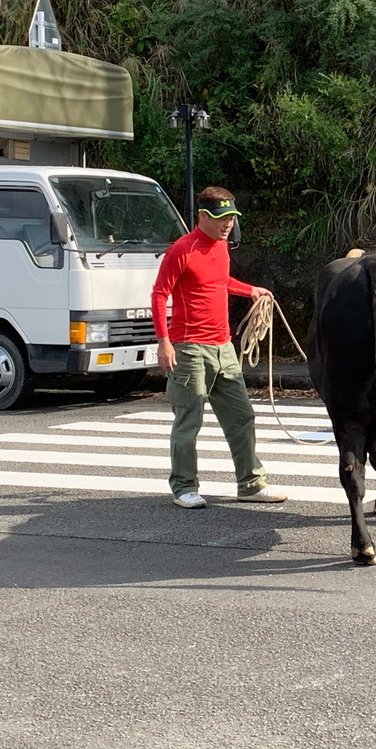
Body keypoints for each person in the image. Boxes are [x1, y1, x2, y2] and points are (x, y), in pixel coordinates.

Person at [150, 186, 287, 509]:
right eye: (220, 217)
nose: (227, 223)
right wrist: (163, 342)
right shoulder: (182, 249)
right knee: (189, 420)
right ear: (202, 216)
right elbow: (159, 294)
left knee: (242, 416)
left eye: (230, 217)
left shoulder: (222, 247)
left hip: (223, 345)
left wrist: (250, 290)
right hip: (189, 347)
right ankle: (184, 485)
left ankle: (250, 483)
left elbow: (220, 282)